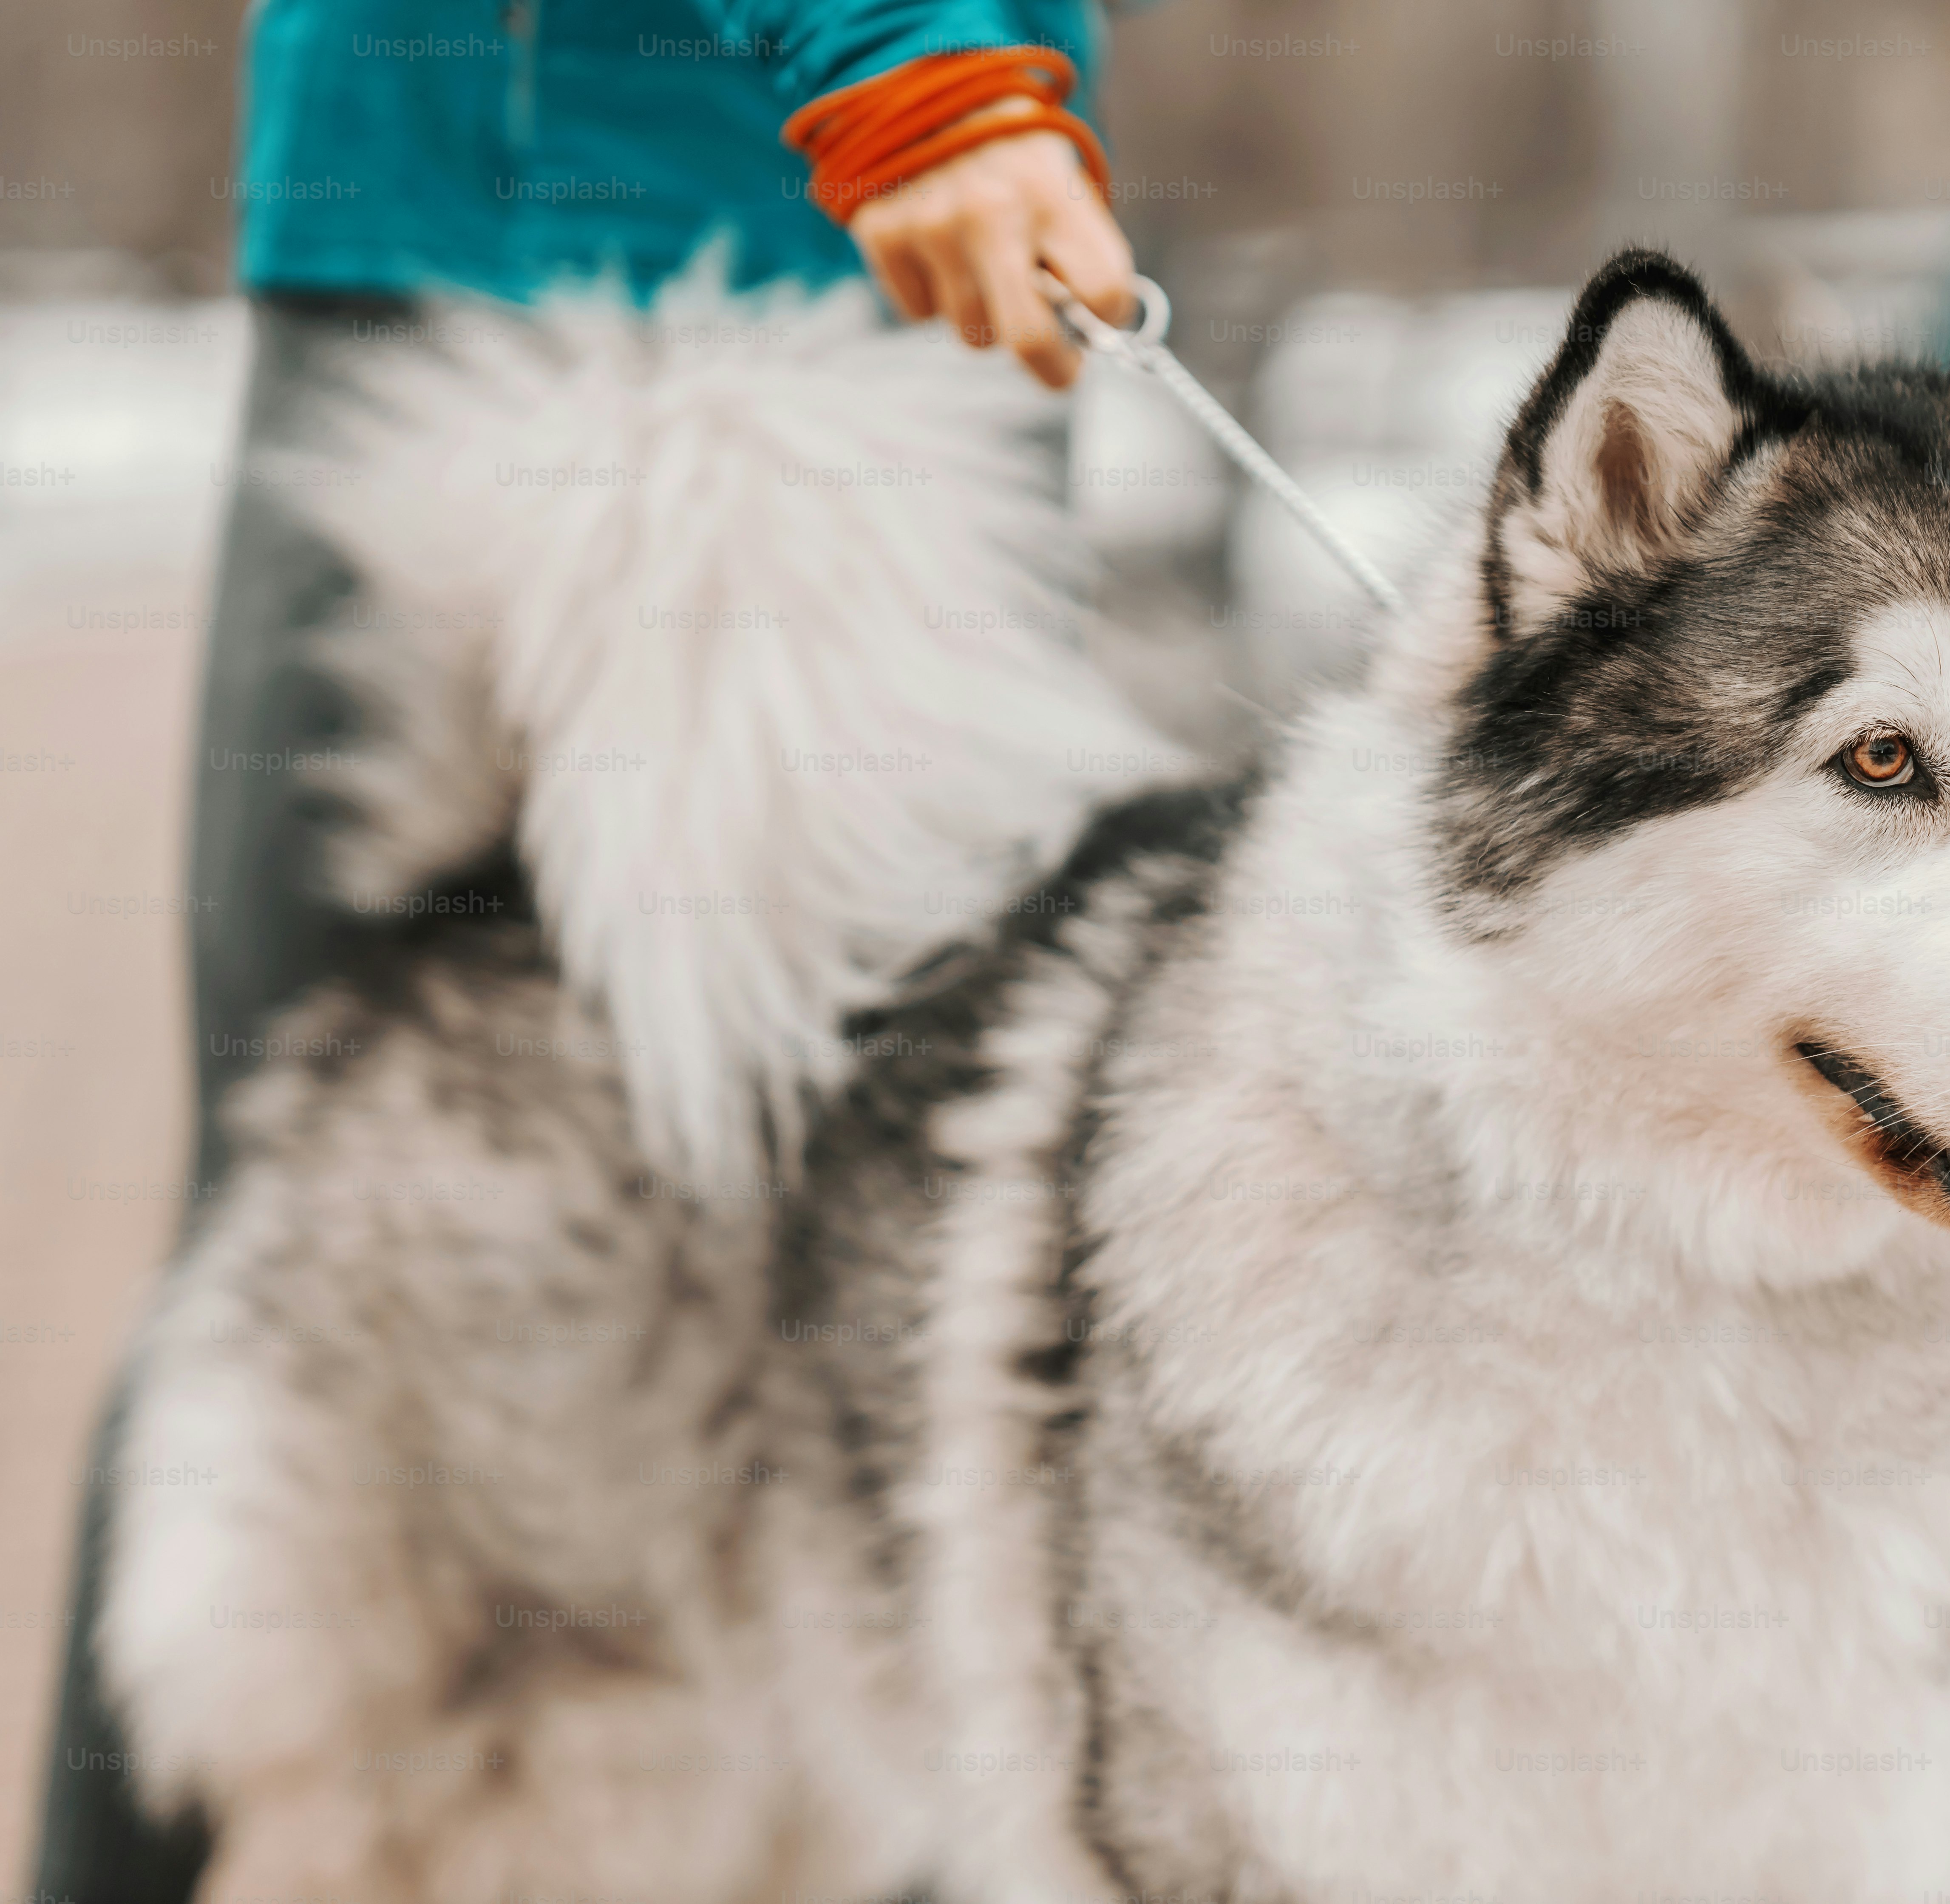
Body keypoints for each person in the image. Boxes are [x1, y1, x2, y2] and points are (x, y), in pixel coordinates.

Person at [35, 4, 1133, 1896]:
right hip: (526, 196)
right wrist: (898, 49)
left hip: (942, 253)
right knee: (320, 1227)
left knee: (923, 1277)